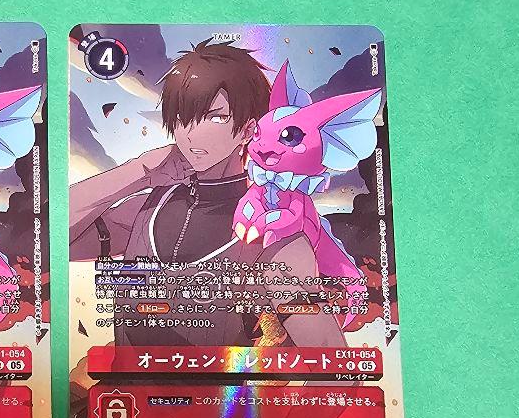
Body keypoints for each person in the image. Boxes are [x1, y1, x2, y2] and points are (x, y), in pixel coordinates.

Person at [70, 39, 346, 348]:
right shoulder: (148, 209)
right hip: (126, 380)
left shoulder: (270, 229)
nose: (191, 133)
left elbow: (329, 354)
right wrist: (138, 171)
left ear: (248, 130)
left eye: (215, 117)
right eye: (182, 118)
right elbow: (56, 238)